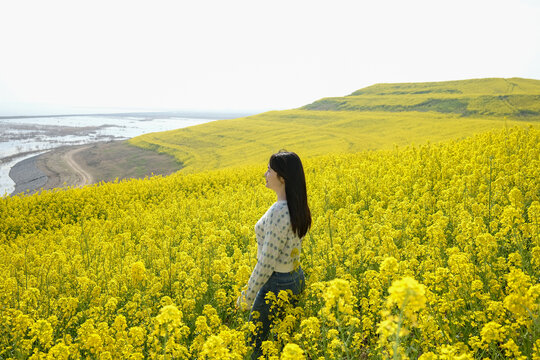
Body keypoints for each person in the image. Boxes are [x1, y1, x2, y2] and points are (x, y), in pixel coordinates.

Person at [236, 150, 311, 359]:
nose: (265, 174)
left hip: (277, 283)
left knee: (255, 341)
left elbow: (266, 263)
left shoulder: (279, 211)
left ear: (282, 178)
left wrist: (246, 297)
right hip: (296, 277)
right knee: (284, 340)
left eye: (269, 170)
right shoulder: (298, 206)